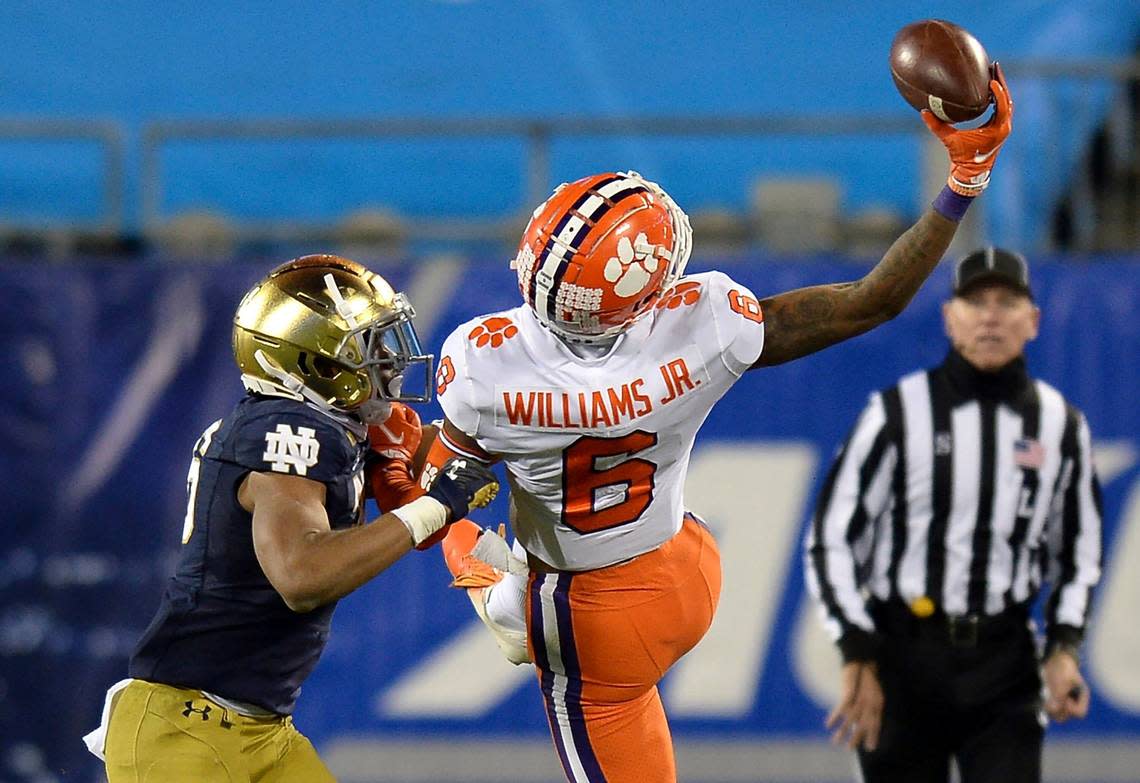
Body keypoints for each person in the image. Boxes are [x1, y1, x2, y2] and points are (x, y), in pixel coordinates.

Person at [412, 67, 1016, 783]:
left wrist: (440, 517)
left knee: (479, 559)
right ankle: (506, 603)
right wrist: (964, 177)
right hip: (686, 572)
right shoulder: (709, 327)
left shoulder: (485, 369)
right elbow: (872, 301)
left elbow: (437, 481)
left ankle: (495, 598)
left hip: (591, 620)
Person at [82, 254, 499, 782]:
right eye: (370, 348)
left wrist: (516, 426)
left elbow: (447, 451)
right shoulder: (288, 432)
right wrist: (438, 503)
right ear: (318, 365)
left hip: (258, 730)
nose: (391, 362)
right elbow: (302, 575)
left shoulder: (326, 427)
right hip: (189, 732)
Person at [803, 245, 1103, 783]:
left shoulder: (1061, 425)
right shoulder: (896, 413)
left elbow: (1079, 553)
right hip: (904, 658)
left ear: (1032, 321)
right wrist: (857, 649)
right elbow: (831, 539)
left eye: (1007, 302)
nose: (990, 315)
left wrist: (1063, 647)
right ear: (949, 318)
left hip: (1005, 662)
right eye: (975, 301)